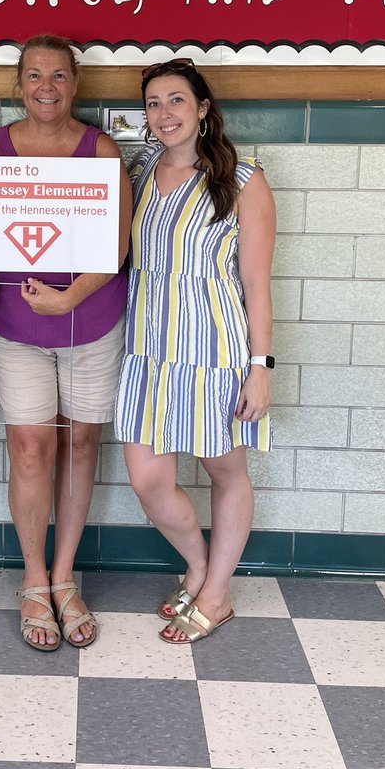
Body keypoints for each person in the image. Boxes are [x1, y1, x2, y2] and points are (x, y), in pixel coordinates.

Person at [0, 34, 131, 651]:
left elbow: (116, 248)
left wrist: (67, 297)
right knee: (31, 448)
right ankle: (33, 580)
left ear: (75, 83)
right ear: (18, 82)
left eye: (58, 76)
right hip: (15, 325)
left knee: (82, 442)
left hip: (91, 318)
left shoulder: (101, 150)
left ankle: (66, 578)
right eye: (34, 75)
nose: (46, 87)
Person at [115, 59, 275, 644]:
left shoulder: (244, 180)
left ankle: (216, 593)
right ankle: (203, 565)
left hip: (215, 353)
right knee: (147, 478)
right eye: (154, 103)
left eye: (177, 100)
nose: (165, 114)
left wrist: (260, 369)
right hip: (148, 351)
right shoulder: (138, 170)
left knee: (223, 471)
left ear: (203, 110)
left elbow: (256, 282)